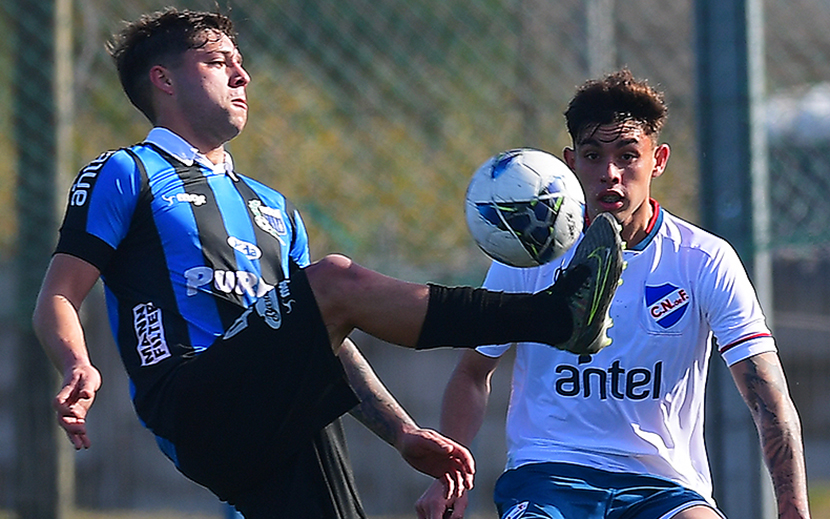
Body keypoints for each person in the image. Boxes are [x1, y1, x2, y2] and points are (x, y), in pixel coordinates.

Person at [31, 8, 624, 518]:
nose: (242, 75)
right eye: (218, 62)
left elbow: (325, 335)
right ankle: (553, 315)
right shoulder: (125, 171)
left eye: (240, 62)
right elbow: (59, 294)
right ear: (162, 79)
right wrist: (77, 363)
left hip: (274, 407)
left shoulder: (273, 207)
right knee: (333, 279)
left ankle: (556, 316)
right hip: (192, 401)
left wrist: (402, 433)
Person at [416, 69, 811, 519]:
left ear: (658, 160)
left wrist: (793, 507)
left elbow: (766, 394)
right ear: (570, 162)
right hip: (549, 476)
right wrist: (446, 479)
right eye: (592, 155)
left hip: (664, 488)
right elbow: (471, 372)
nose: (610, 174)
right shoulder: (530, 257)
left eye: (628, 156)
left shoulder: (703, 259)